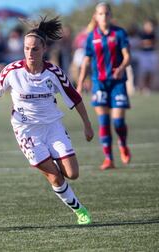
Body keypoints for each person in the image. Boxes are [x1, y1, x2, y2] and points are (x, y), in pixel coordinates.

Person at [0, 16, 94, 225]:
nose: (30, 53)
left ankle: (54, 169)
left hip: (53, 127)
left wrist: (87, 125)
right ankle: (80, 210)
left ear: (43, 49)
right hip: (27, 131)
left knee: (73, 173)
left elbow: (75, 98)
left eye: (35, 49)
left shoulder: (53, 72)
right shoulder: (12, 70)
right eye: (26, 48)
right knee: (55, 177)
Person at [77, 2, 131, 170]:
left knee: (118, 122)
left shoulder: (119, 33)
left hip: (117, 82)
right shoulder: (91, 37)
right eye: (101, 14)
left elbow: (127, 56)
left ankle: (122, 143)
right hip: (99, 83)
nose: (104, 16)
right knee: (104, 121)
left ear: (110, 15)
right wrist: (78, 85)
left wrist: (121, 68)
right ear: (96, 16)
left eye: (107, 13)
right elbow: (86, 62)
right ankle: (109, 158)